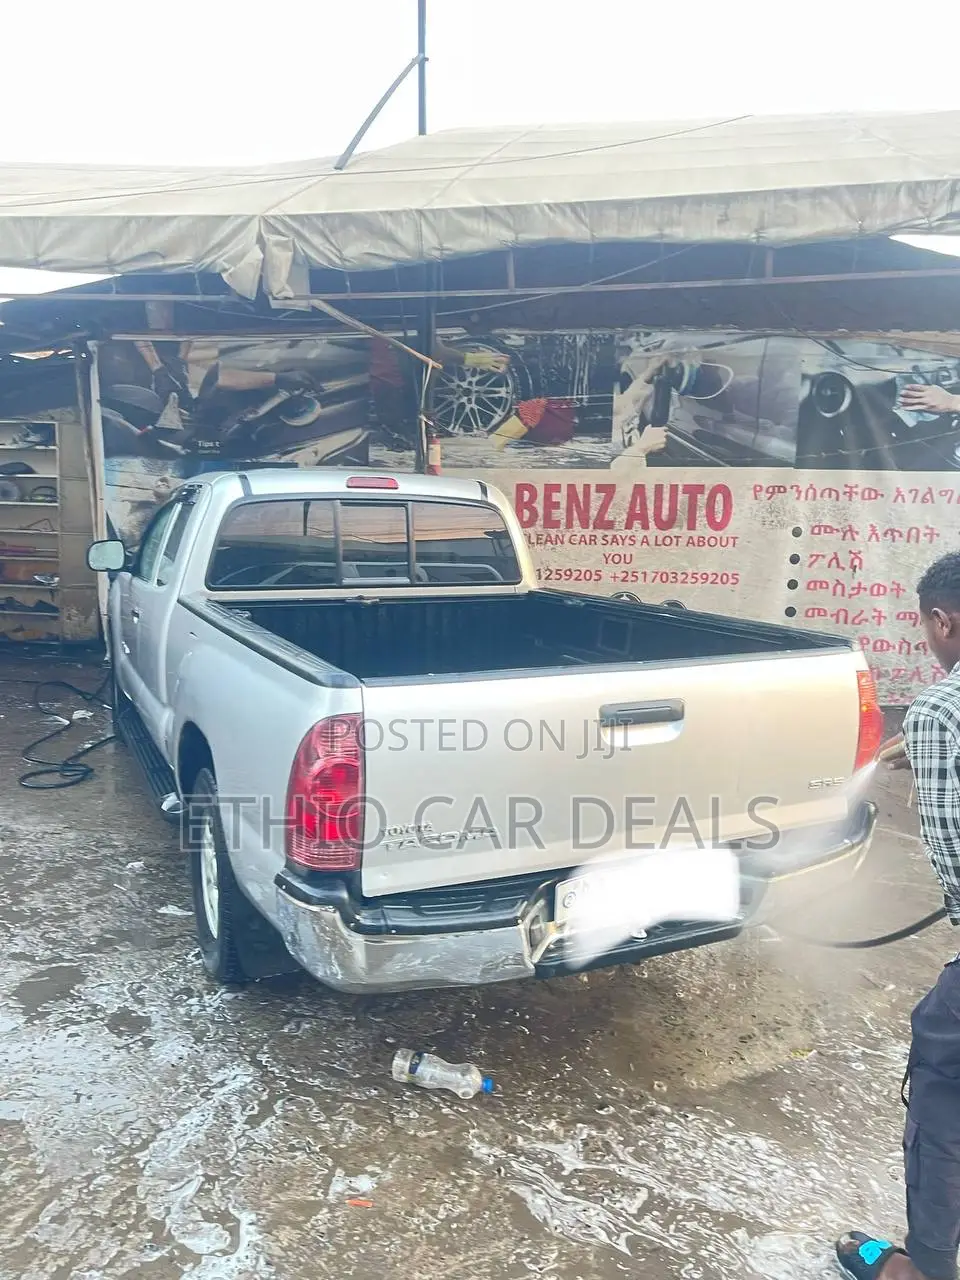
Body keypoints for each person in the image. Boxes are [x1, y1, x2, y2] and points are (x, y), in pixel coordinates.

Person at [837, 551, 960, 1280]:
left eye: (928, 631)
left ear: (943, 623)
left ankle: (930, 1264)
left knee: (942, 1062)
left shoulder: (943, 709)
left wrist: (936, 747)